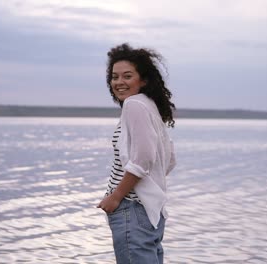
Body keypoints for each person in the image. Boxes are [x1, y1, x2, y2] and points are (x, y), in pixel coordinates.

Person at [97, 43, 176, 264]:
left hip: (131, 208)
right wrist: (149, 187)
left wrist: (115, 197)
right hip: (150, 211)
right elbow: (169, 159)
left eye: (127, 76)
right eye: (114, 77)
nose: (119, 82)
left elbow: (143, 160)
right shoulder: (149, 106)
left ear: (143, 79)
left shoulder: (134, 105)